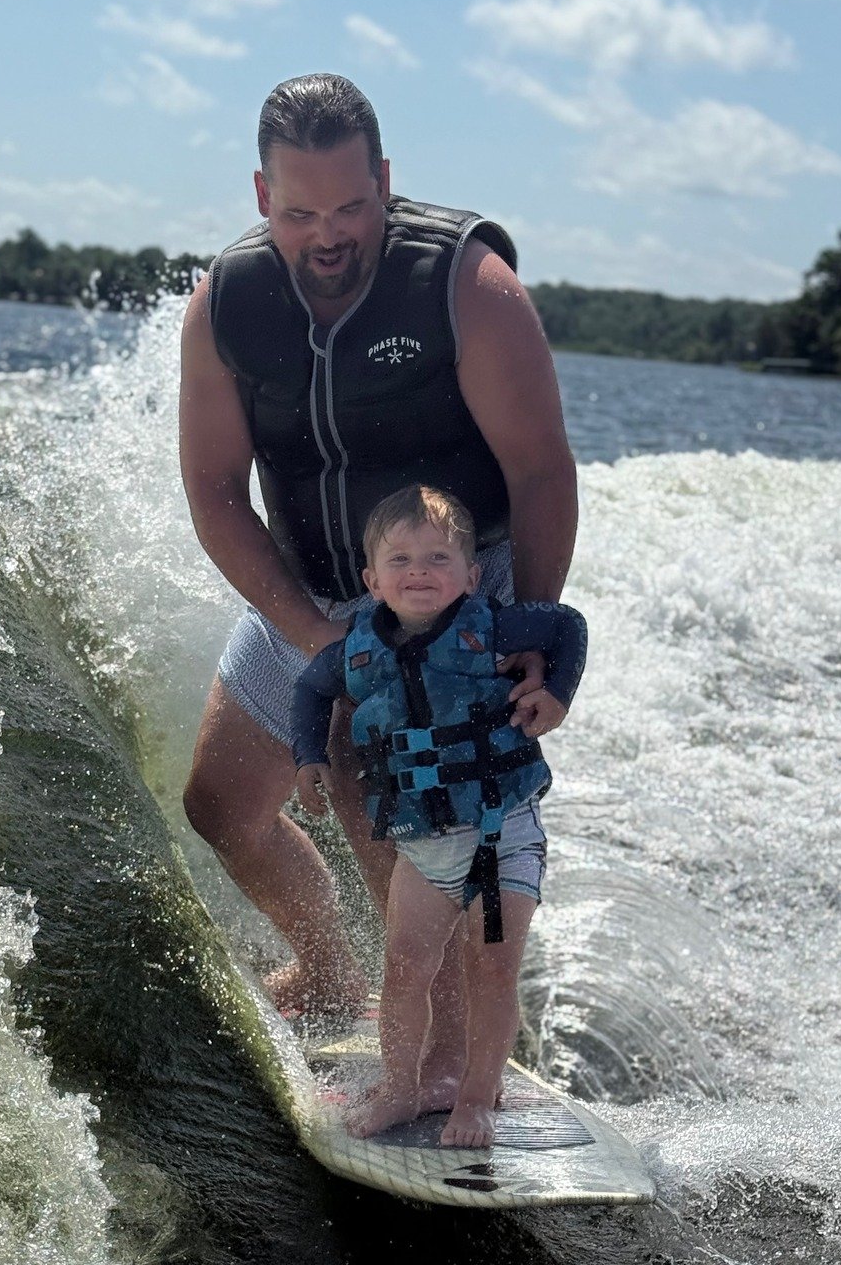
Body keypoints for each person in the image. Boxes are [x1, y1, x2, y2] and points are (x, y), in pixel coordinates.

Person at [179, 72, 577, 1100]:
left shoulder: (468, 286)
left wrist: (524, 631)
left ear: (386, 183)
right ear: (262, 196)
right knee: (222, 806)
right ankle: (329, 971)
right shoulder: (224, 309)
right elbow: (218, 496)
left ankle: (449, 1046)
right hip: (313, 588)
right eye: (301, 211)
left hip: (452, 583)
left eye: (353, 206)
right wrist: (316, 637)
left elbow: (541, 471)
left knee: (370, 758)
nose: (329, 234)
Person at [290, 485, 586, 1148]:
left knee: (491, 965)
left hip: (495, 832)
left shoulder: (496, 629)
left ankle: (478, 1099)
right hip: (423, 844)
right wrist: (309, 756)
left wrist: (558, 696)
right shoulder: (356, 651)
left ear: (472, 575)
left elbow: (567, 627)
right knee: (405, 968)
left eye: (436, 558)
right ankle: (401, 1087)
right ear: (370, 580)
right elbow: (311, 689)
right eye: (399, 560)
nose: (418, 571)